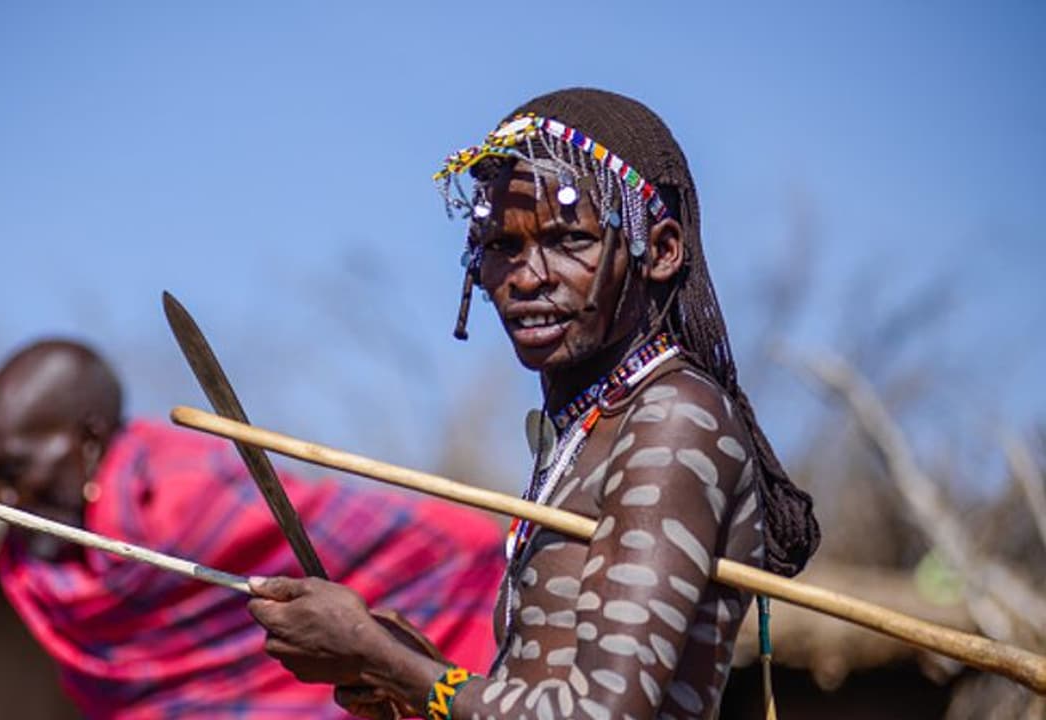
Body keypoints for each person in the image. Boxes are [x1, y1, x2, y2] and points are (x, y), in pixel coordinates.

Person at [245, 88, 820, 719]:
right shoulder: (594, 425)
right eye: (502, 246)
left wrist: (387, 662)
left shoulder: (675, 417)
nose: (527, 276)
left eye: (569, 239)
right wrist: (407, 671)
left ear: (659, 251)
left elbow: (606, 714)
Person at [0, 339, 505, 719]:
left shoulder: (186, 494)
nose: (4, 500)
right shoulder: (40, 565)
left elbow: (443, 548)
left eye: (15, 471)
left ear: (89, 439)